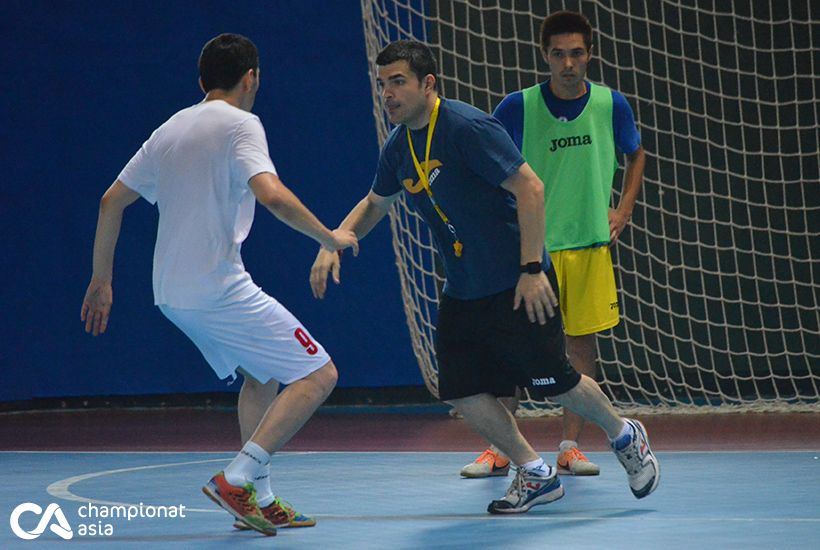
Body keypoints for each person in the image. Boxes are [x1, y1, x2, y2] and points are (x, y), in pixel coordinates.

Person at [310, 39, 658, 514]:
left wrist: (532, 269)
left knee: (555, 383)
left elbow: (531, 188)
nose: (388, 94)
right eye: (382, 84)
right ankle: (535, 472)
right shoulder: (398, 146)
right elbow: (377, 202)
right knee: (461, 390)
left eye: (398, 82)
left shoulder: (466, 126)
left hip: (517, 281)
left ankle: (624, 435)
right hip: (464, 287)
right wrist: (335, 239)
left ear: (427, 84)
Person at [80, 33, 358, 536]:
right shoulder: (241, 123)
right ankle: (238, 477)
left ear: (201, 80)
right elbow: (270, 195)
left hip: (169, 292)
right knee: (319, 374)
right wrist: (329, 236)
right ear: (251, 78)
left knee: (262, 376)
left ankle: (261, 497)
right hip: (215, 286)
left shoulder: (169, 128)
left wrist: (102, 280)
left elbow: (109, 201)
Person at [460, 10, 646, 480]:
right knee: (509, 350)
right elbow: (488, 166)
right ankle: (500, 449)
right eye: (559, 54)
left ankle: (569, 448)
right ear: (546, 56)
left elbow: (635, 152)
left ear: (590, 55)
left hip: (587, 246)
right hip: (530, 254)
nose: (568, 63)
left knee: (580, 348)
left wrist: (622, 210)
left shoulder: (610, 105)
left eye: (577, 53)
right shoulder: (517, 107)